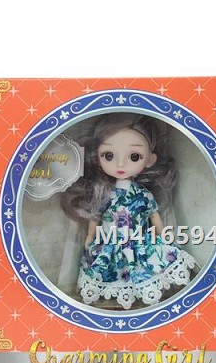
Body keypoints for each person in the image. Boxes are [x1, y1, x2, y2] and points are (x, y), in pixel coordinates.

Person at [61, 113, 197, 309]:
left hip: (139, 242)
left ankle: (139, 296)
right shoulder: (105, 194)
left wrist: (164, 236)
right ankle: (114, 301)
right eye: (108, 155)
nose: (120, 164)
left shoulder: (143, 194)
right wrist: (90, 236)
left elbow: (154, 215)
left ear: (150, 159)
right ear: (96, 157)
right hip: (109, 243)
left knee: (142, 267)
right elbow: (95, 217)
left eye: (134, 156)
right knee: (107, 268)